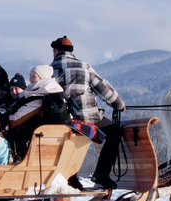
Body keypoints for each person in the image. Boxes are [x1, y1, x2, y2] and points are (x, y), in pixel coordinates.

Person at [50, 36, 126, 189]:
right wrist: (119, 105)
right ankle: (101, 174)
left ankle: (71, 176)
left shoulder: (49, 70)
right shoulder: (84, 67)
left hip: (61, 121)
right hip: (88, 118)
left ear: (56, 51)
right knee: (114, 133)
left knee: (67, 142)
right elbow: (104, 89)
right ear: (71, 52)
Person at [7, 65, 66, 159]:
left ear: (42, 78)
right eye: (30, 76)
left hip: (33, 137)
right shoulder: (47, 91)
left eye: (34, 76)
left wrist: (4, 120)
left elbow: (17, 119)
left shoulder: (41, 95)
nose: (30, 80)